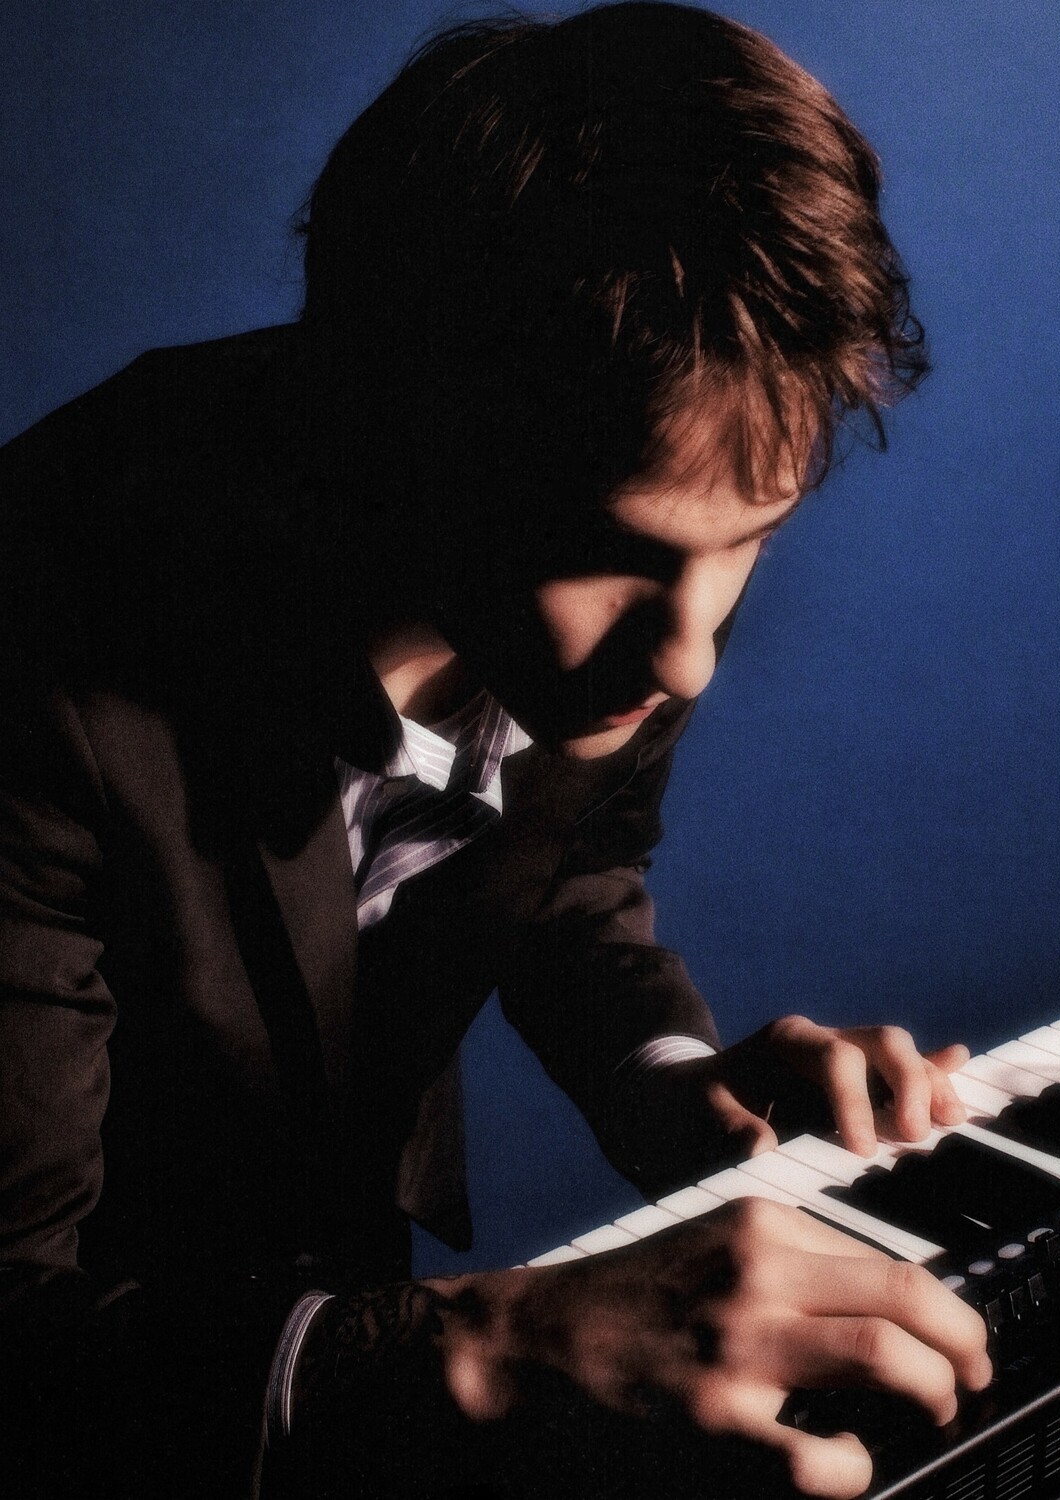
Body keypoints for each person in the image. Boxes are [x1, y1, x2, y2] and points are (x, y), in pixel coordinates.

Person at [0, 4, 990, 1496]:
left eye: (748, 545)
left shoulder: (611, 571)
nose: (690, 655)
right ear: (406, 437)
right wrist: (491, 1347)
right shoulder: (40, 641)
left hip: (335, 1331)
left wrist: (668, 1082)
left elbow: (568, 869)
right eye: (619, 556)